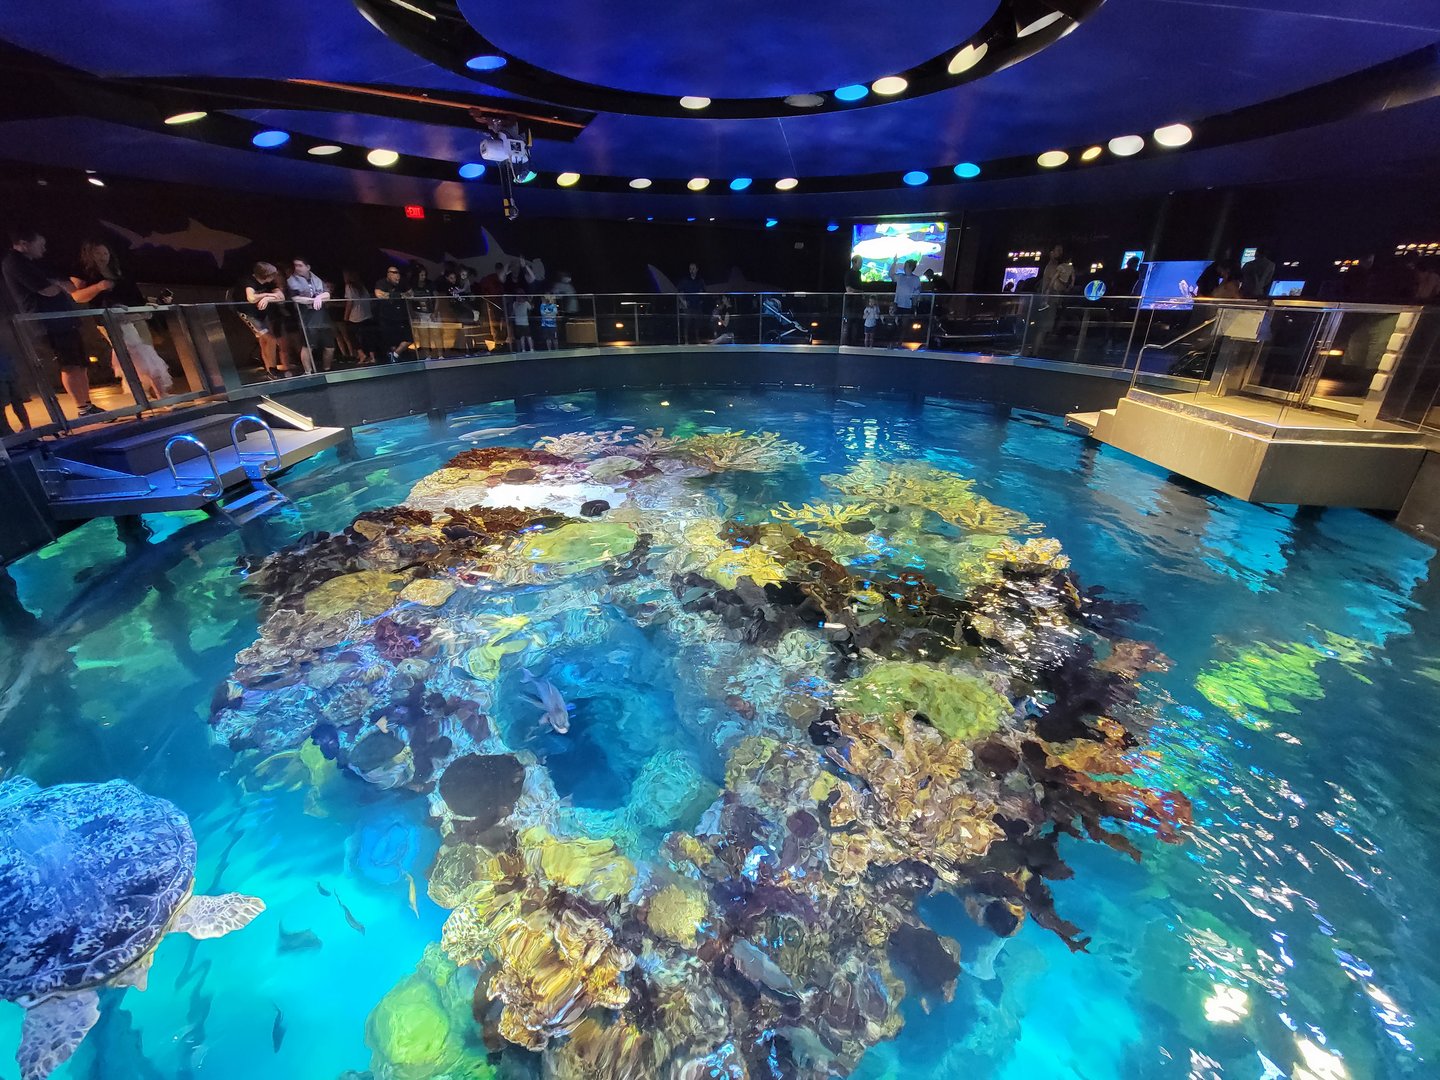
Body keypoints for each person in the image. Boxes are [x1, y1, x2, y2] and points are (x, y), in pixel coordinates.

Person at [3, 227, 104, 416]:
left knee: (80, 362)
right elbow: (47, 290)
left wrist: (60, 285)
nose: (44, 248)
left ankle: (88, 403)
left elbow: (67, 285)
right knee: (70, 363)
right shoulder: (14, 262)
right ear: (24, 244)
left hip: (64, 319)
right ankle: (82, 407)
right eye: (40, 244)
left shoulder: (37, 263)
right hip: (48, 322)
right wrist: (59, 285)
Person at [75, 240, 173, 398]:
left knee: (148, 351)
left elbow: (133, 294)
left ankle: (160, 392)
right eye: (98, 253)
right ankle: (143, 394)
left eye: (105, 253)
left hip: (134, 315)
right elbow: (77, 297)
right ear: (89, 255)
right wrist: (99, 287)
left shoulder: (118, 271)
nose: (102, 257)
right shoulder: (86, 275)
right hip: (114, 321)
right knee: (134, 354)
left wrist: (148, 305)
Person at [238, 261, 291, 377]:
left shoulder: (270, 283)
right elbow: (251, 298)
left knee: (264, 341)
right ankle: (272, 369)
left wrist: (268, 299)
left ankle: (269, 369)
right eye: (273, 275)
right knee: (270, 339)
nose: (275, 277)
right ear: (266, 276)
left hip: (262, 313)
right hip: (248, 313)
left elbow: (281, 297)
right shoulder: (249, 281)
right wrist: (268, 295)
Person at [286, 257, 336, 371]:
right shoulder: (291, 281)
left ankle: (326, 369)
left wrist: (319, 297)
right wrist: (314, 301)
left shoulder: (317, 279)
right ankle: (308, 372)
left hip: (323, 318)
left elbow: (327, 294)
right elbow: (296, 298)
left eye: (300, 265)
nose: (297, 268)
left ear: (308, 267)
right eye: (296, 266)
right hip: (307, 319)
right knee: (308, 347)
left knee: (330, 347)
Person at [373, 265, 414, 362]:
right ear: (389, 274)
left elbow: (411, 294)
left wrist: (395, 295)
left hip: (402, 315)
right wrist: (399, 295)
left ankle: (395, 354)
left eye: (398, 274)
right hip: (387, 316)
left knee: (409, 338)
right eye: (394, 274)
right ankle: (393, 357)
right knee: (391, 339)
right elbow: (379, 294)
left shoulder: (403, 282)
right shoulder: (381, 283)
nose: (397, 277)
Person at [407, 265, 442, 359]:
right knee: (423, 335)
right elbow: (409, 301)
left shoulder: (430, 284)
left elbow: (437, 298)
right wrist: (413, 314)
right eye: (421, 275)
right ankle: (427, 356)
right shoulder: (411, 286)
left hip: (432, 312)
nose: (424, 277)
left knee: (437, 334)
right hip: (419, 314)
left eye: (425, 275)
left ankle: (440, 355)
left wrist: (435, 312)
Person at [0, 343, 31, 436]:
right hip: (8, 366)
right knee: (17, 402)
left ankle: (7, 433)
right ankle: (27, 429)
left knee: (4, 404)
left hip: (5, 368)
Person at [677, 262, 708, 344]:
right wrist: (683, 302)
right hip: (688, 306)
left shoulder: (700, 280)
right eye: (690, 269)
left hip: (697, 306)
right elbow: (679, 292)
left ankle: (698, 340)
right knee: (686, 324)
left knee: (698, 324)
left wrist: (701, 301)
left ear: (697, 269)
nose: (692, 270)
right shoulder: (685, 280)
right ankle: (686, 341)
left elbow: (704, 292)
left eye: (693, 268)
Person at [843, 255, 864, 343]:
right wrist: (860, 292)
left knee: (857, 324)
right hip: (850, 304)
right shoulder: (849, 274)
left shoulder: (858, 273)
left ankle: (855, 342)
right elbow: (848, 289)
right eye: (860, 262)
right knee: (850, 324)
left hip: (858, 304)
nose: (861, 264)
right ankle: (847, 343)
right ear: (854, 263)